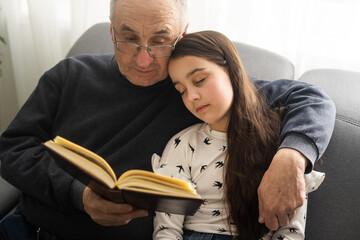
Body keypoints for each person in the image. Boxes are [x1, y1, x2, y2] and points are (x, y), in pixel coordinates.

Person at [0, 0, 335, 239]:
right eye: (128, 37)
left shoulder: (198, 91)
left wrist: (290, 158)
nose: (143, 59)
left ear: (182, 34)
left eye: (160, 41)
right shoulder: (70, 74)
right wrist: (77, 194)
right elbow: (11, 148)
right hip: (28, 227)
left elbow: (312, 99)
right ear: (112, 28)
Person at [152, 30, 325, 240]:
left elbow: (291, 233)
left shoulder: (281, 143)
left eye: (199, 80)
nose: (192, 96)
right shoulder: (183, 145)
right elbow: (167, 231)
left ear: (231, 70)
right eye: (181, 90)